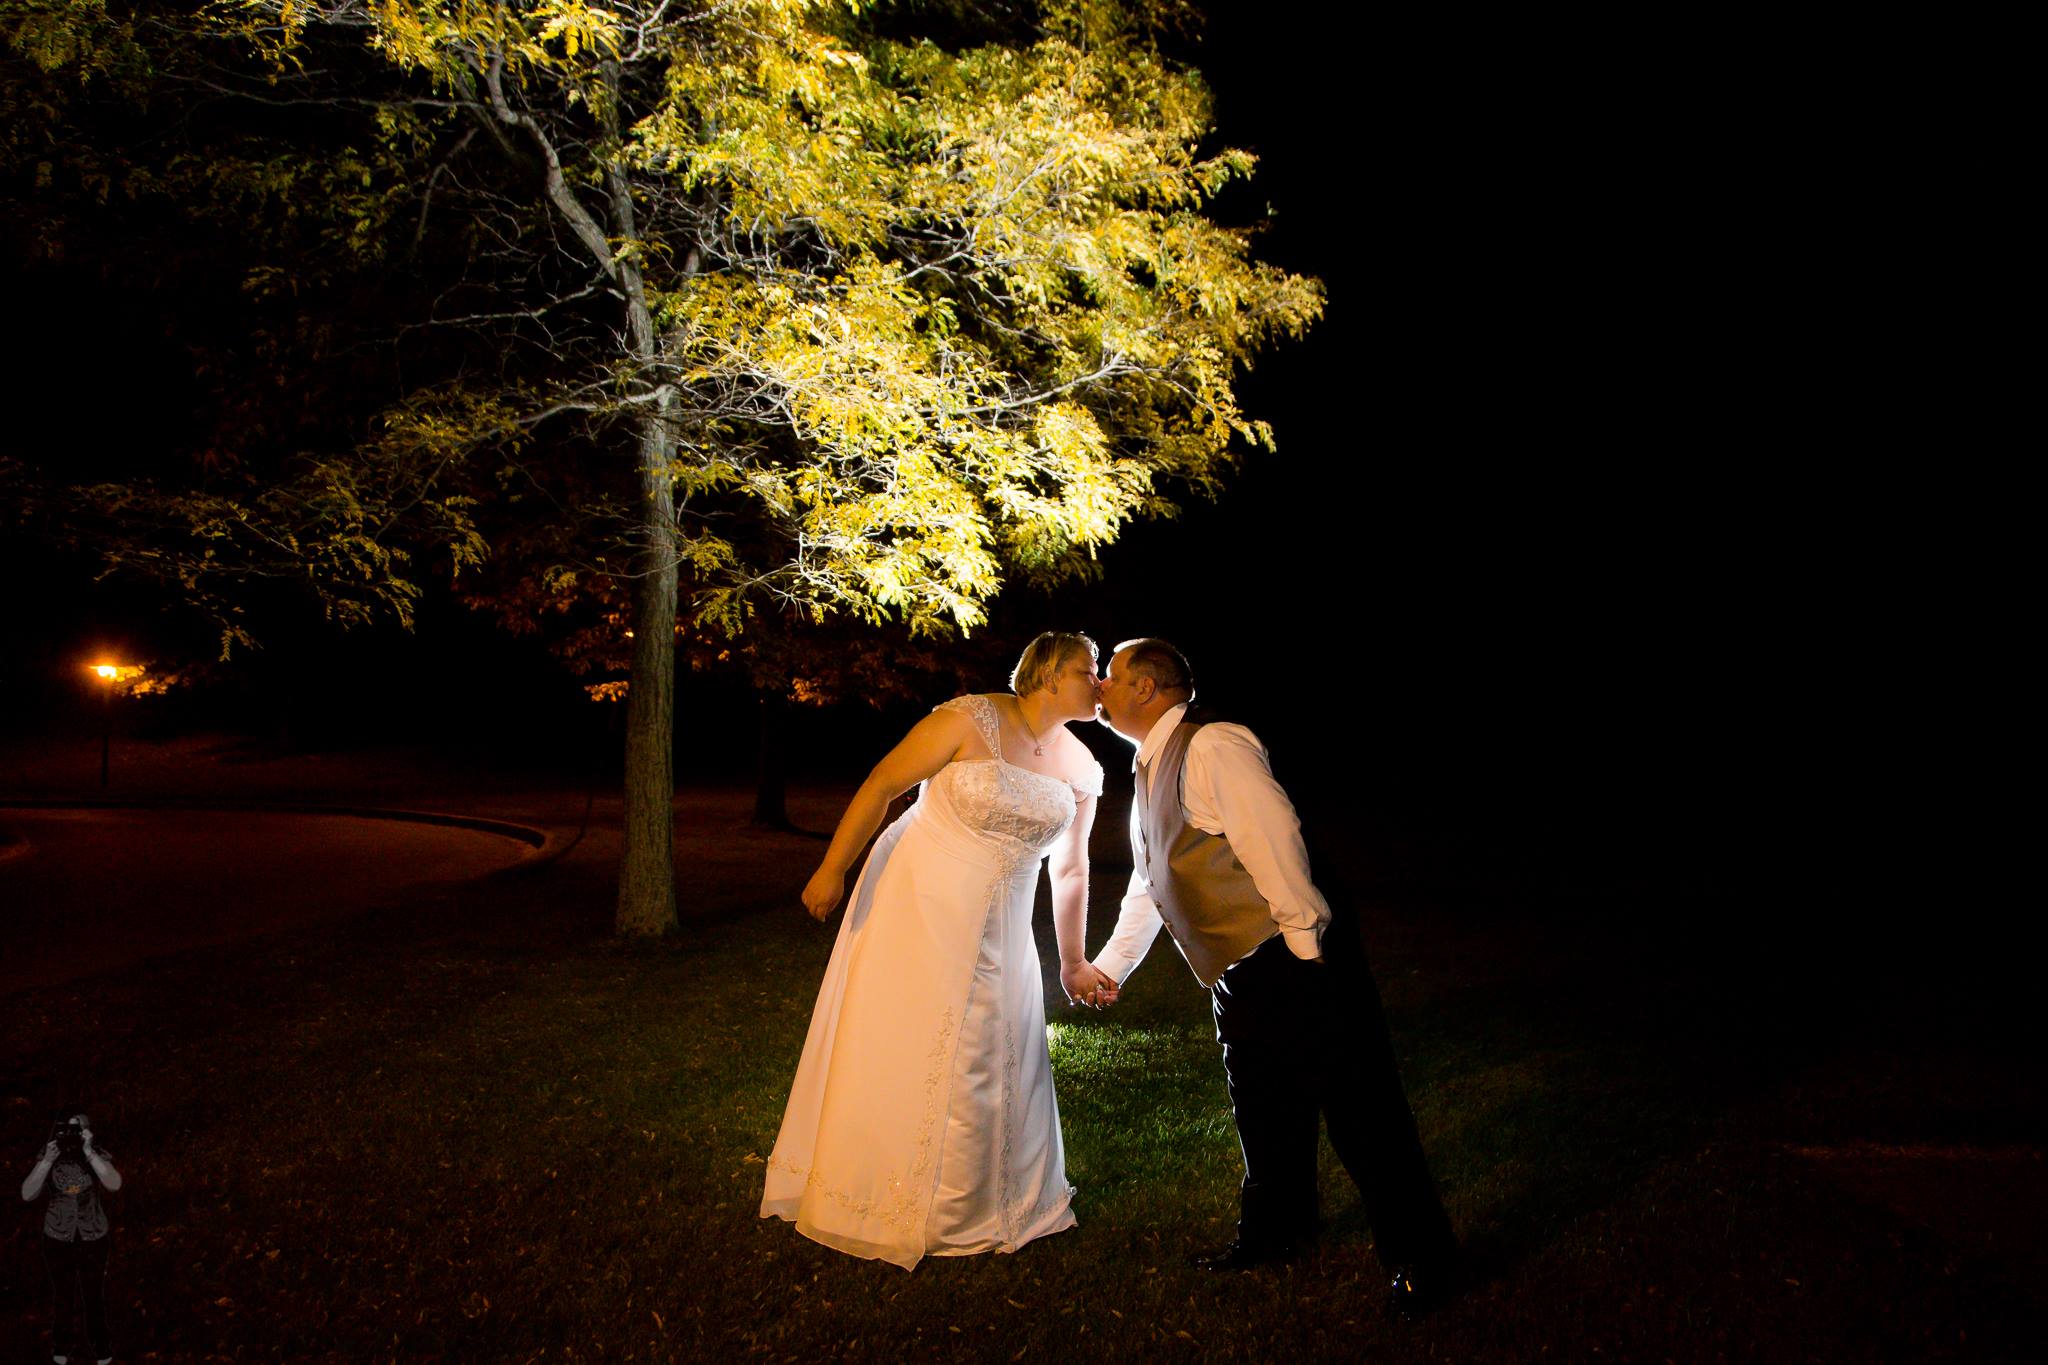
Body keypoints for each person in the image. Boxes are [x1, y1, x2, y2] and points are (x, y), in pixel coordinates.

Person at [1089, 638, 1458, 1313]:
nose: (1099, 687)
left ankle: (1422, 1259)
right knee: (1262, 1106)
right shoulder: (1148, 765)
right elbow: (1152, 879)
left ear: (1145, 687)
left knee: (1362, 1112)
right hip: (1239, 972)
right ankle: (1276, 1232)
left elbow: (1274, 835)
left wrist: (1305, 947)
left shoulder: (1212, 744)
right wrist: (1111, 965)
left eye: (1110, 676)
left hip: (1290, 952)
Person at [761, 631, 1121, 1269]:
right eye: (1089, 670)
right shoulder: (966, 719)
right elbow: (882, 784)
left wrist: (1072, 960)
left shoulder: (1082, 766)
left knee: (987, 1050)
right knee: (912, 1039)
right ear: (1047, 674)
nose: (1100, 684)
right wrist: (832, 869)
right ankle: (882, 1192)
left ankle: (975, 1202)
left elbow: (1070, 870)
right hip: (921, 901)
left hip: (1004, 927)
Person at [23, 1111, 122, 1365]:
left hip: (93, 1236)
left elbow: (114, 1183)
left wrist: (89, 1151)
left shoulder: (96, 1154)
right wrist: (47, 1160)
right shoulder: (50, 1155)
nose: (71, 1135)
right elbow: (27, 1193)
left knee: (93, 1295)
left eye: (77, 1129)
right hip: (57, 1236)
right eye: (66, 1129)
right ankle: (62, 1347)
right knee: (63, 1296)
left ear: (88, 1131)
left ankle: (101, 1349)